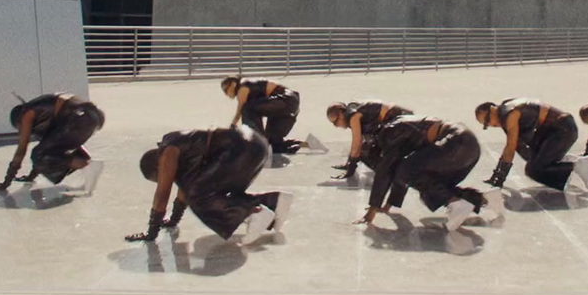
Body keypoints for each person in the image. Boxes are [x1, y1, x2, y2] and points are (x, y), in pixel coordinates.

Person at [127, 125, 293, 243]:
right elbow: (185, 189)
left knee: (198, 197)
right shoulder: (181, 154)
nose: (164, 179)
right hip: (253, 144)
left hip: (239, 148)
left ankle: (253, 212)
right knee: (210, 192)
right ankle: (274, 202)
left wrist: (151, 232)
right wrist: (173, 220)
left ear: (157, 166)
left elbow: (163, 193)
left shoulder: (168, 151)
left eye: (158, 177)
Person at [353, 115, 493, 232]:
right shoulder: (396, 129)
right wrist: (389, 205)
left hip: (457, 143)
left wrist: (371, 212)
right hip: (470, 148)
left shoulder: (388, 134)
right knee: (430, 184)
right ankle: (485, 199)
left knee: (407, 171)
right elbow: (400, 174)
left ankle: (455, 203)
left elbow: (388, 171)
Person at [0, 92, 105, 194]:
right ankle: (88, 166)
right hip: (93, 116)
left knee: (39, 155)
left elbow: (22, 149)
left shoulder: (27, 113)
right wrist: (30, 177)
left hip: (79, 118)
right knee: (48, 151)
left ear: (18, 120)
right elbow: (47, 147)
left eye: (19, 127)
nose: (22, 130)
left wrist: (6, 182)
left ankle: (87, 165)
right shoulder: (44, 115)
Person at [474, 99, 588, 192]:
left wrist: (499, 180)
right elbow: (514, 147)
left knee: (533, 170)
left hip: (563, 130)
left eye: (488, 119)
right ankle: (564, 161)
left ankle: (576, 165)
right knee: (530, 157)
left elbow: (510, 147)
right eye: (486, 124)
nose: (491, 124)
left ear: (493, 108)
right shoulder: (506, 109)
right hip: (554, 130)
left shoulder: (510, 114)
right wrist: (496, 176)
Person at [326, 100, 412, 178]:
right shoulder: (352, 112)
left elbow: (357, 143)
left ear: (341, 114)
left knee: (366, 152)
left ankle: (390, 172)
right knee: (366, 148)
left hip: (400, 121)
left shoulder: (353, 117)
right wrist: (349, 163)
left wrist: (350, 170)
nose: (335, 125)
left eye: (335, 121)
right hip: (398, 119)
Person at [222, 76, 303, 154]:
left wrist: (232, 126)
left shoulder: (242, 87)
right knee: (272, 143)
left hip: (284, 100)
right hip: (290, 104)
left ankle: (257, 142)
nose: (226, 94)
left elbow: (240, 110)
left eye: (226, 90)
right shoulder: (248, 86)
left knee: (247, 108)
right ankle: (305, 144)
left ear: (233, 84)